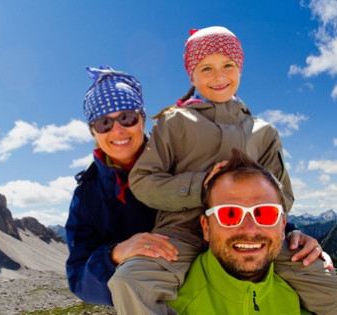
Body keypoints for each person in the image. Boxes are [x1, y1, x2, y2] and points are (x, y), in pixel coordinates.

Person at [108, 26, 337, 314]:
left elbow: (284, 196)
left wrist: (262, 207)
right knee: (131, 282)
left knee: (326, 283)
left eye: (228, 65)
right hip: (181, 235)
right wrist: (202, 186)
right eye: (206, 68)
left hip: (255, 234)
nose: (219, 76)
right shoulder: (174, 123)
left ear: (240, 69)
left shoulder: (263, 132)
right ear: (192, 75)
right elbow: (143, 182)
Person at [65, 66, 179, 305]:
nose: (118, 130)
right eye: (104, 123)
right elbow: (78, 280)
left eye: (127, 117)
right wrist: (114, 254)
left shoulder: (178, 164)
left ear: (143, 120)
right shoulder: (87, 194)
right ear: (93, 132)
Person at [168, 149, 310, 314]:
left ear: (282, 225)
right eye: (230, 214)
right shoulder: (168, 306)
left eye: (265, 213)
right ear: (206, 227)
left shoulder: (303, 302)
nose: (249, 229)